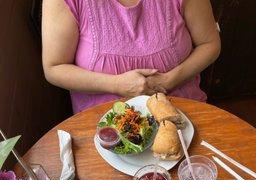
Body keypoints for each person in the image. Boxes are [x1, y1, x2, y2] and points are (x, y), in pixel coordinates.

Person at [42, 0, 220, 114]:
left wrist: (169, 81)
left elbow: (209, 44)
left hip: (183, 112)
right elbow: (54, 67)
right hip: (102, 125)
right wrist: (116, 85)